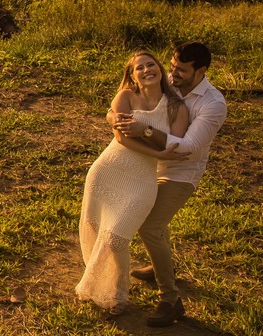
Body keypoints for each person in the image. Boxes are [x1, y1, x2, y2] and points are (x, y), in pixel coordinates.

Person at [109, 41, 227, 326]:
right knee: (156, 226)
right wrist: (113, 115)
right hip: (148, 164)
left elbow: (188, 147)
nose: (173, 73)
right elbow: (136, 98)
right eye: (172, 65)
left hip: (181, 172)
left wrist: (145, 130)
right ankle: (161, 266)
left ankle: (170, 299)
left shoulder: (213, 104)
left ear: (201, 71)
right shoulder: (169, 84)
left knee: (150, 226)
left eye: (181, 70)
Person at [77, 50, 190, 315]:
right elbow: (122, 139)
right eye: (139, 67)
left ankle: (110, 286)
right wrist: (157, 152)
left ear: (160, 70)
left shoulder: (176, 107)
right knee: (96, 226)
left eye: (151, 64)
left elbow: (176, 143)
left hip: (142, 179)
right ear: (132, 75)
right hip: (108, 169)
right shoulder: (126, 97)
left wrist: (154, 141)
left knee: (116, 237)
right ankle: (114, 291)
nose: (147, 69)